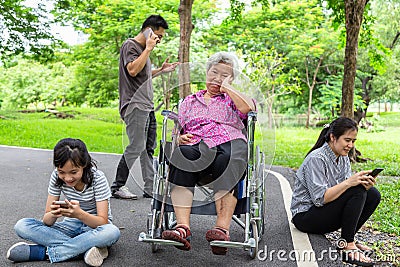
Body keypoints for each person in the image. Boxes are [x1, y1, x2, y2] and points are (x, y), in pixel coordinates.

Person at [161, 52, 256, 255]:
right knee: (181, 155)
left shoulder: (232, 99)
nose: (217, 78)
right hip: (197, 144)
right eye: (214, 72)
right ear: (206, 72)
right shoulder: (189, 101)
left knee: (230, 158)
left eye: (224, 75)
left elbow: (247, 108)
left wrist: (228, 88)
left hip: (229, 143)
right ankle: (182, 228)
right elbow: (178, 130)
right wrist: (178, 139)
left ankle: (221, 230)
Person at [6, 138, 120, 267]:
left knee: (112, 232)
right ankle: (86, 248)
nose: (68, 178)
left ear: (84, 165)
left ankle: (44, 253)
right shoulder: (56, 176)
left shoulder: (97, 178)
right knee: (22, 225)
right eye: (62, 172)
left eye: (73, 172)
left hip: (94, 228)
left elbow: (103, 221)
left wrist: (79, 214)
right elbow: (47, 221)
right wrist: (54, 214)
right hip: (69, 226)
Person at [290, 117, 381, 267]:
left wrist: (361, 183)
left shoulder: (343, 157)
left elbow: (346, 193)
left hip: (323, 213)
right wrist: (349, 182)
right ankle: (347, 245)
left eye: (353, 141)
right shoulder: (317, 159)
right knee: (356, 190)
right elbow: (320, 199)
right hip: (305, 217)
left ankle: (346, 240)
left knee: (372, 194)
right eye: (347, 140)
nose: (350, 145)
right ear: (333, 137)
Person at [111, 14, 178, 200]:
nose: (159, 40)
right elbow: (132, 70)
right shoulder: (130, 45)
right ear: (148, 30)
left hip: (147, 107)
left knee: (148, 148)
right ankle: (117, 186)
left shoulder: (142, 50)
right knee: (135, 146)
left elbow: (142, 73)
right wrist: (148, 49)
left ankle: (149, 188)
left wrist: (161, 70)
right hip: (134, 105)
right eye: (159, 35)